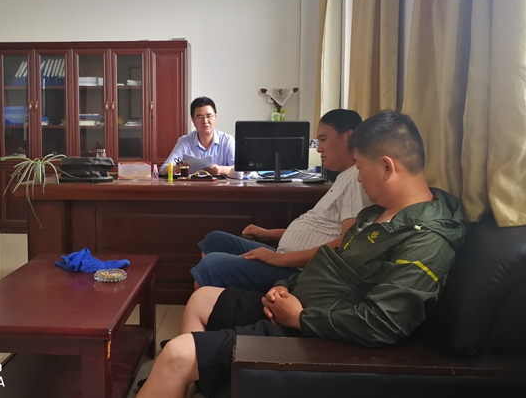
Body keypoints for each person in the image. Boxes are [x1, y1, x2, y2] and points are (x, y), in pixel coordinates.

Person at [137, 110, 466, 398]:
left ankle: (182, 371)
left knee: (176, 354)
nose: (358, 177)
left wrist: (300, 317)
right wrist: (284, 287)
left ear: (386, 166)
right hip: (300, 305)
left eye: (360, 167)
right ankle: (189, 381)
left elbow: (383, 322)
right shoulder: (378, 213)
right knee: (201, 299)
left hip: (315, 332)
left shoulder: (427, 237)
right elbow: (331, 265)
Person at [191, 109, 370, 292]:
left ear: (349, 137)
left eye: (323, 139)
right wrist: (268, 234)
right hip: (284, 256)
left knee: (211, 266)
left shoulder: (356, 178)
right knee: (214, 240)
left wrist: (279, 259)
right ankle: (214, 301)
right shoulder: (343, 177)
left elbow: (347, 243)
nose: (319, 148)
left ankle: (210, 303)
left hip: (297, 270)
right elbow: (323, 230)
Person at [160, 97, 235, 176]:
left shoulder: (227, 141)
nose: (205, 121)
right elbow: (164, 169)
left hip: (220, 184)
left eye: (209, 116)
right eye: (200, 117)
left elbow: (239, 170)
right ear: (193, 121)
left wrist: (221, 170)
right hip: (191, 184)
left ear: (215, 117)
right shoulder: (184, 141)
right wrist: (177, 169)